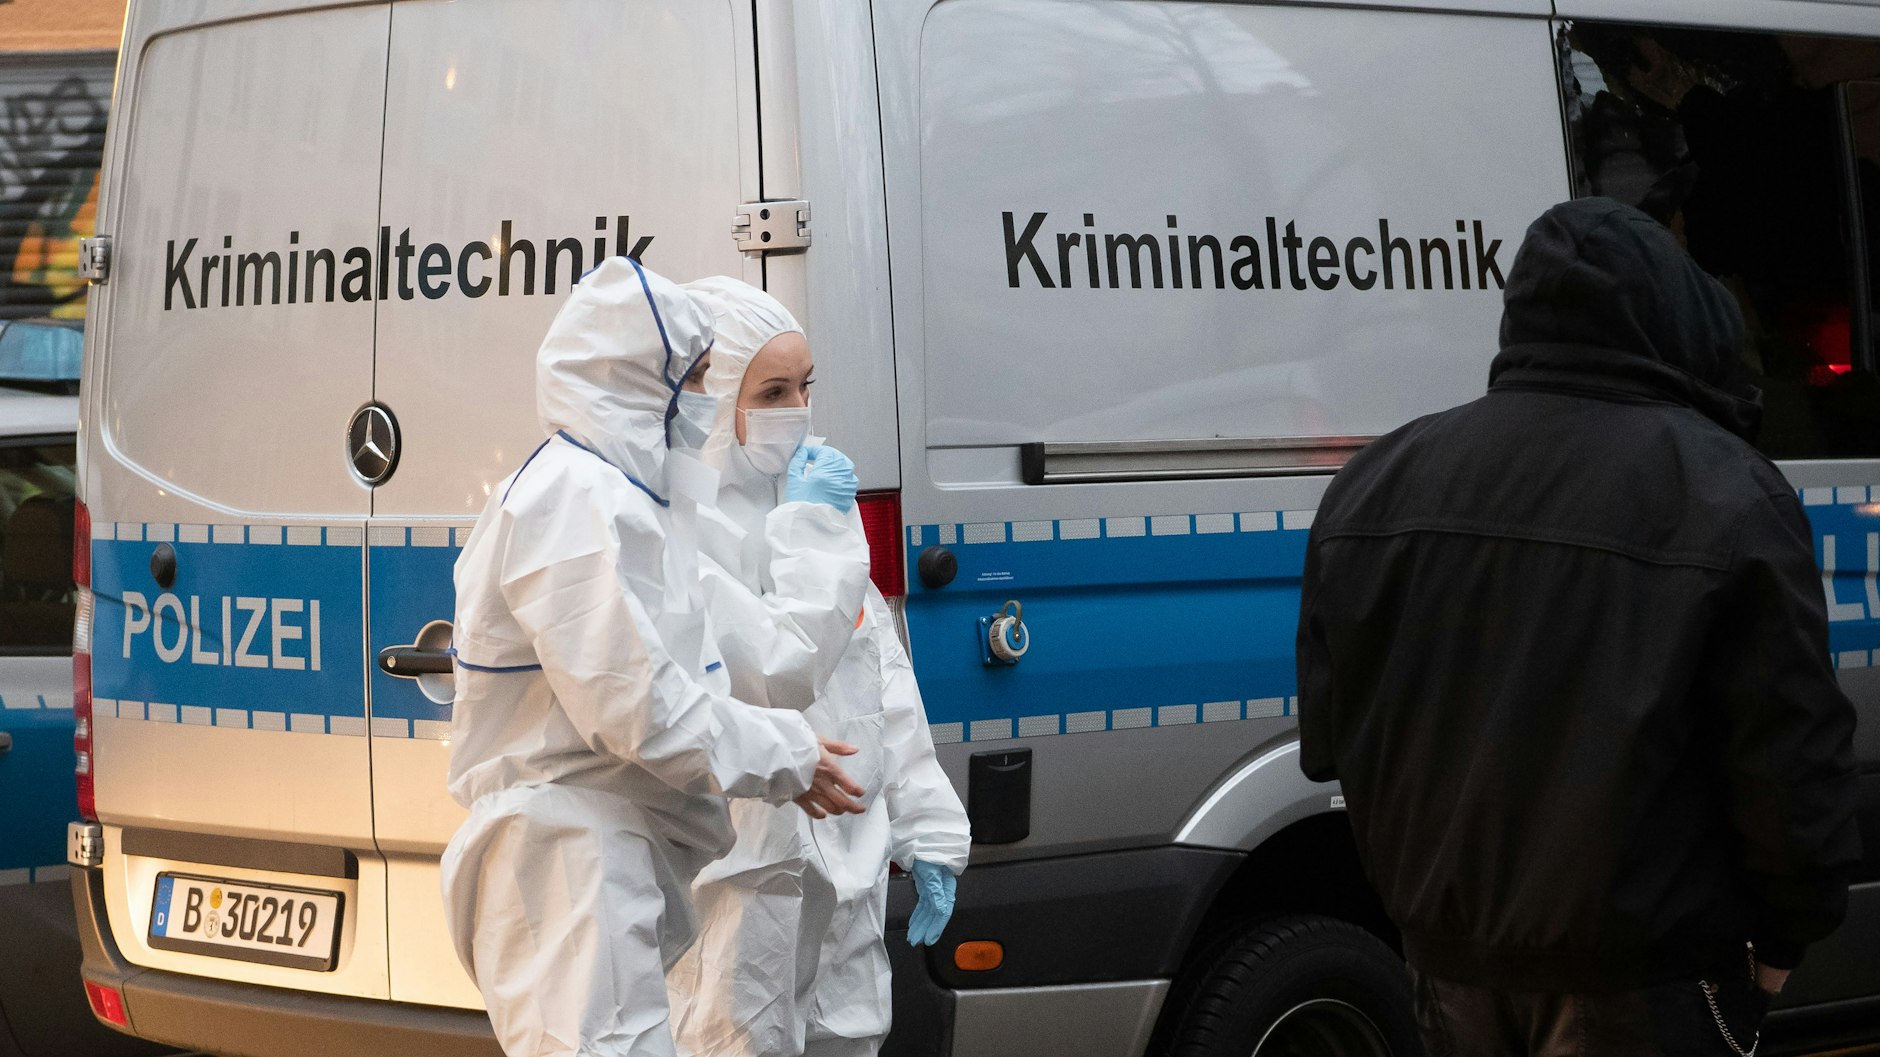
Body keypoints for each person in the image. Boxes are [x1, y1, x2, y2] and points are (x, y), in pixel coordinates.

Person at [1296, 198, 1861, 1057]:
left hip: (1449, 971)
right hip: (1648, 978)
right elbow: (1791, 765)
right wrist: (1785, 939)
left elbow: (1332, 743)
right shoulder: (1728, 493)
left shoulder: (1371, 485)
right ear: (1674, 315)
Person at [440, 258, 871, 1057]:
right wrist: (789, 755)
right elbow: (643, 708)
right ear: (641, 376)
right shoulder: (576, 498)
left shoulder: (615, 495)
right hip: (568, 853)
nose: (705, 395)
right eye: (697, 375)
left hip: (600, 851)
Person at [666, 276, 971, 1057]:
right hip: (739, 883)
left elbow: (879, 678)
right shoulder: (680, 530)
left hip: (847, 877)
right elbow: (779, 666)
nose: (798, 409)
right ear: (715, 398)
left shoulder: (812, 510)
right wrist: (815, 530)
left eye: (806, 385)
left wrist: (928, 827)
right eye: (772, 391)